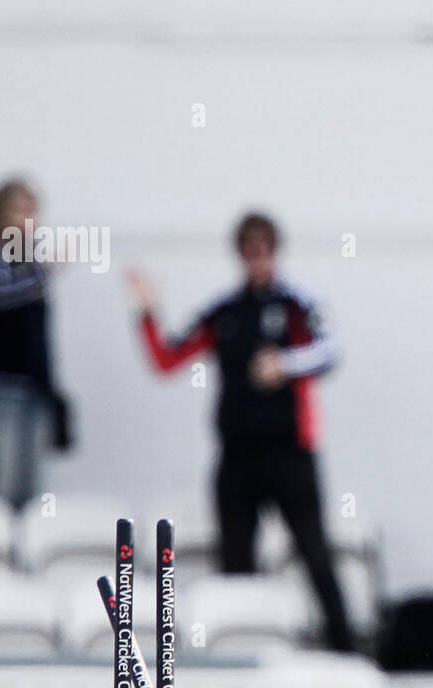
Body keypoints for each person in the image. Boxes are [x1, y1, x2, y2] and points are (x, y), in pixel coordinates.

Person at [128, 212, 356, 652]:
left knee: (314, 554)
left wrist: (284, 365)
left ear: (275, 251)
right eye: (248, 251)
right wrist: (146, 311)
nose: (257, 260)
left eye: (264, 249)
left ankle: (346, 651)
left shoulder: (297, 304)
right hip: (236, 458)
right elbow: (167, 358)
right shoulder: (224, 311)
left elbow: (332, 350)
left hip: (290, 453)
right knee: (236, 564)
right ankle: (244, 655)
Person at [0, 177, 71, 509]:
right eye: (17, 209)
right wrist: (43, 272)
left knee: (30, 489)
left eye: (30, 210)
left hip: (33, 388)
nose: (25, 218)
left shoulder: (29, 263)